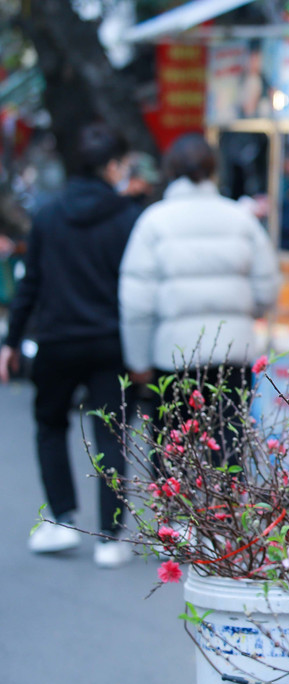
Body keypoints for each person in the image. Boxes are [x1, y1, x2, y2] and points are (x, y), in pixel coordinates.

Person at [0, 122, 142, 566]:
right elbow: (137, 289)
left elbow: (31, 285)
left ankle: (61, 519)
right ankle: (110, 538)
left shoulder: (47, 214)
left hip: (57, 340)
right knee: (112, 433)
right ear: (113, 165)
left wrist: (11, 340)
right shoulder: (127, 217)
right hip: (110, 341)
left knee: (50, 426)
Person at [119, 133, 279, 451]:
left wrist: (138, 363)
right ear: (213, 169)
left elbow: (136, 303)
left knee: (174, 458)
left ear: (171, 170)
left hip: (173, 358)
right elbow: (268, 288)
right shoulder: (241, 219)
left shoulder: (153, 221)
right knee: (228, 453)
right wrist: (246, 311)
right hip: (234, 355)